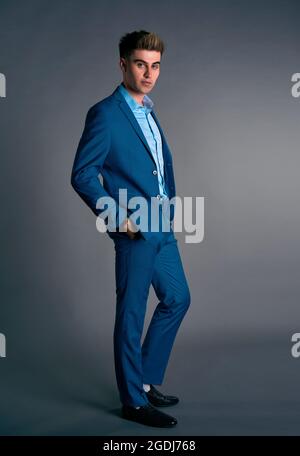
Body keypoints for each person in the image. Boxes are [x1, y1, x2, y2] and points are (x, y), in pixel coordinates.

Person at [71, 30, 191, 428]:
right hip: (135, 230)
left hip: (161, 225)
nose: (149, 73)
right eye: (141, 64)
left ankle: (143, 379)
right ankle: (132, 402)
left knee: (177, 298)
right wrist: (115, 215)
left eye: (155, 66)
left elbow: (158, 168)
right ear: (123, 64)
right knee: (132, 314)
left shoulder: (149, 110)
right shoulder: (105, 113)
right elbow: (83, 174)